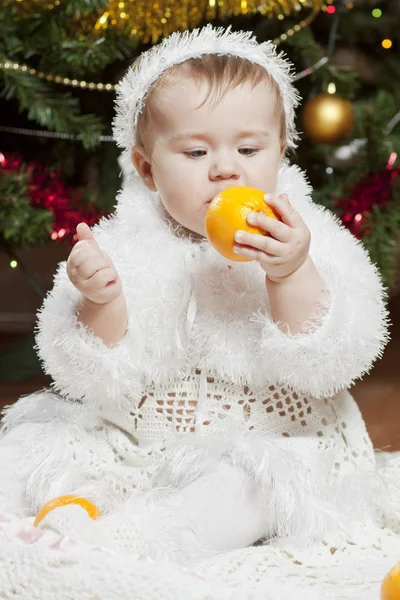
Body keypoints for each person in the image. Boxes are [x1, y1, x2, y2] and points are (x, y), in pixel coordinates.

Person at [0, 25, 397, 565]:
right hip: (142, 440)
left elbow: (330, 355)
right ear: (147, 168)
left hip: (274, 436)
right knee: (29, 447)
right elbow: (99, 369)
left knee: (249, 488)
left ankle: (131, 540)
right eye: (195, 151)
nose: (226, 167)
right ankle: (67, 510)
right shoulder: (128, 242)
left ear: (281, 152)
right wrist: (101, 298)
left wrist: (289, 273)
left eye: (249, 147)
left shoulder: (305, 236)